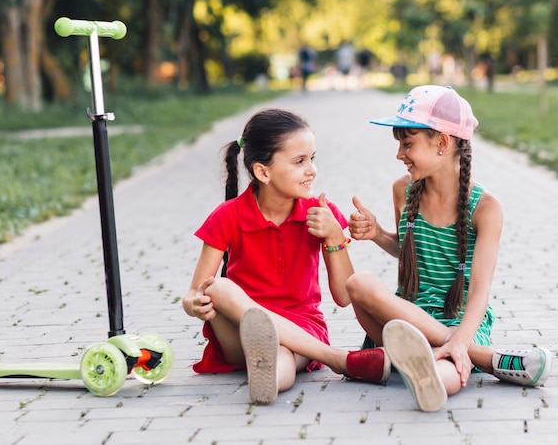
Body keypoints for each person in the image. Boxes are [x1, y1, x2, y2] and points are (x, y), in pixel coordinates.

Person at [345, 85, 552, 412]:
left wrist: (460, 338)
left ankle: (429, 368)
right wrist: (376, 234)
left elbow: (480, 290)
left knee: (445, 371)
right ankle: (481, 358)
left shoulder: (485, 208)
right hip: (405, 315)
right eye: (399, 143)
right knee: (359, 283)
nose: (399, 154)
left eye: (407, 143)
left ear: (442, 142)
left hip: (461, 318)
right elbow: (409, 251)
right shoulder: (403, 190)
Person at [182, 108, 389, 405]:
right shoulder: (228, 216)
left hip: (302, 327)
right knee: (218, 287)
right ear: (263, 172)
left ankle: (265, 379)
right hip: (241, 328)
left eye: (312, 158)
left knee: (281, 360)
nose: (312, 170)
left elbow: (344, 296)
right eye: (299, 161)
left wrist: (333, 236)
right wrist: (195, 304)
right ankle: (339, 359)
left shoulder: (321, 212)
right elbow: (194, 292)